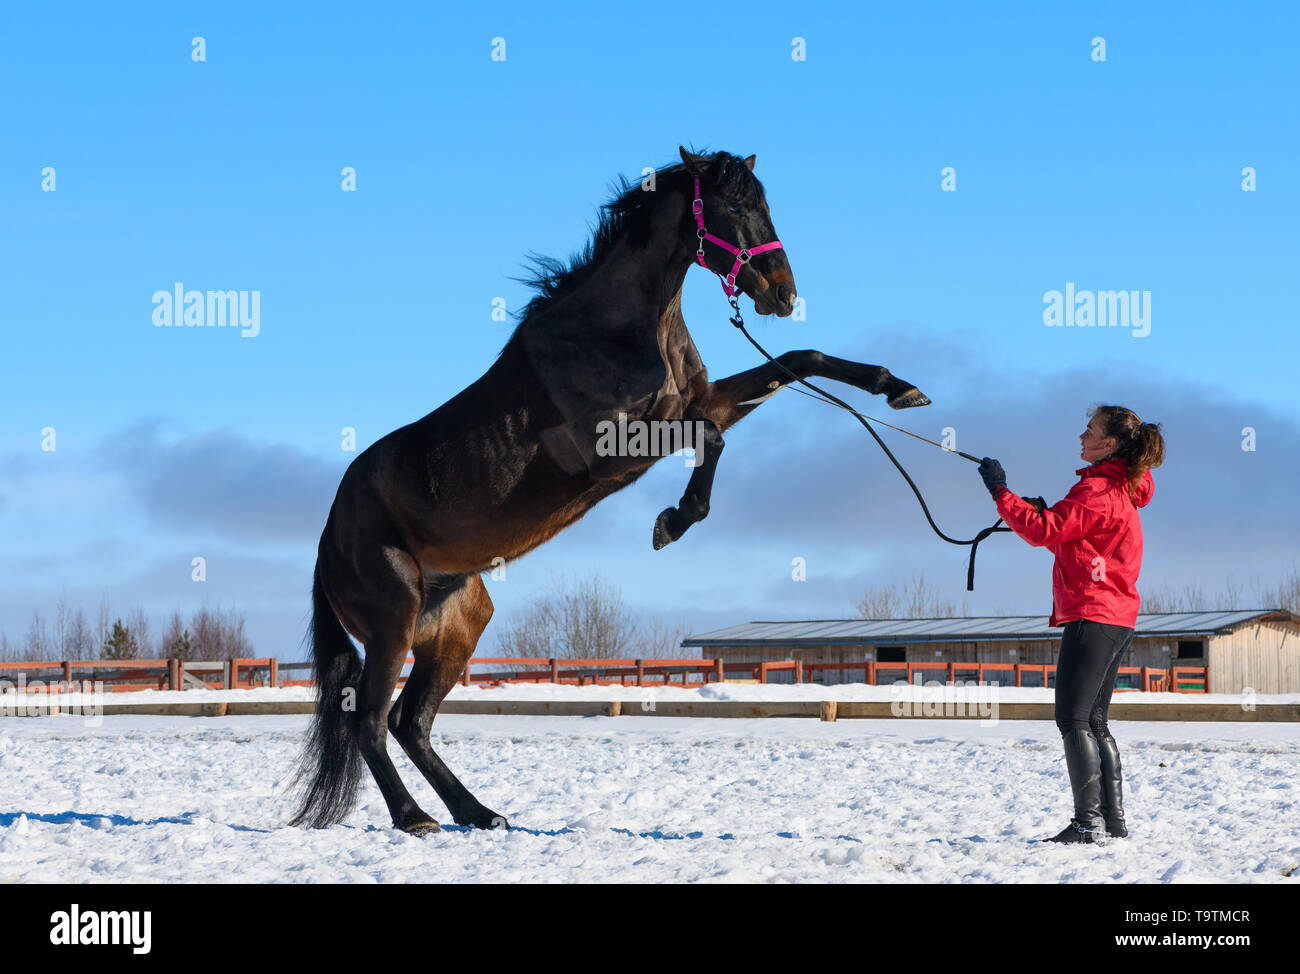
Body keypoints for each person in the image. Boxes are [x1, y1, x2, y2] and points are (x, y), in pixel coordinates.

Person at [977, 405, 1165, 844]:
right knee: (1095, 720)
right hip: (1116, 616)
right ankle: (1110, 822)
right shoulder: (1118, 488)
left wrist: (1001, 492)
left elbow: (1044, 532)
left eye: (1090, 430)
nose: (1081, 436)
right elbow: (1066, 537)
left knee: (1073, 719)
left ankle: (1087, 823)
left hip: (1094, 614)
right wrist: (1027, 507)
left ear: (1110, 444)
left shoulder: (1098, 490)